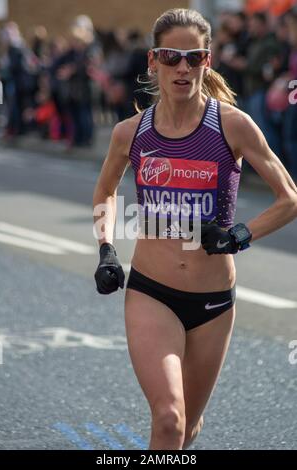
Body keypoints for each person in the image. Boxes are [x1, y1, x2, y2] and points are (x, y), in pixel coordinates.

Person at [92, 8, 297, 450]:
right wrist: (106, 248)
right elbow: (104, 193)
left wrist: (237, 236)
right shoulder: (131, 133)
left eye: (193, 57)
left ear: (207, 61)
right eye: (171, 57)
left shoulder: (233, 126)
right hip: (151, 293)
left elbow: (289, 199)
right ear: (153, 62)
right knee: (168, 420)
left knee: (184, 430)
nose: (182, 67)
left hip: (213, 304)